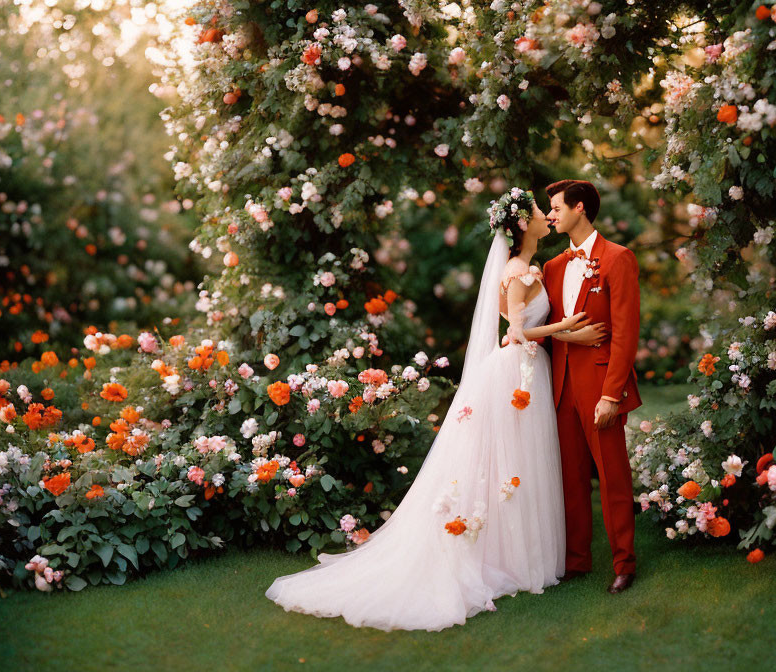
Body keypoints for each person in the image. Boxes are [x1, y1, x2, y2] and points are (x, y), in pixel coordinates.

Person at [265, 188, 599, 631]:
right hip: (519, 369)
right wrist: (567, 329)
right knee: (513, 461)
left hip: (528, 372)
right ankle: (514, 558)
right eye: (540, 211)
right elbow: (518, 331)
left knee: (520, 462)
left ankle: (523, 553)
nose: (546, 216)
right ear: (523, 224)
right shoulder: (517, 270)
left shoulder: (527, 268)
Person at [542, 179, 642, 595]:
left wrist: (610, 394)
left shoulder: (618, 259)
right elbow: (540, 331)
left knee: (613, 477)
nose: (550, 215)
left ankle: (624, 563)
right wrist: (568, 337)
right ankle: (577, 560)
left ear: (579, 208)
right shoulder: (551, 267)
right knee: (570, 477)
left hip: (600, 385)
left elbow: (625, 333)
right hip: (560, 386)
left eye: (556, 208)